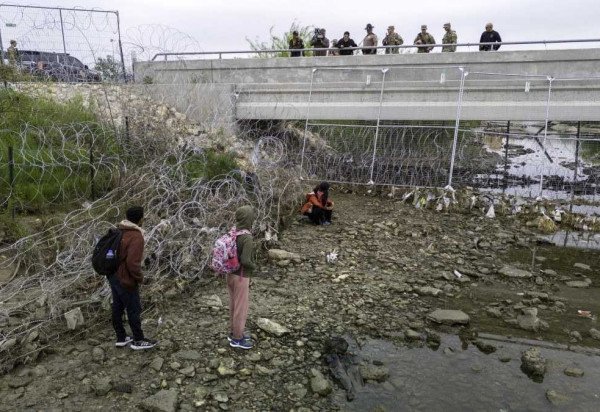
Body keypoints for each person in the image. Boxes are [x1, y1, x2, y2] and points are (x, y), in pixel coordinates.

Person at [109, 206, 157, 350]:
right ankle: (138, 340)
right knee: (134, 308)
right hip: (126, 278)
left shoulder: (119, 230)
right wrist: (140, 278)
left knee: (117, 306)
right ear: (140, 219)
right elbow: (132, 263)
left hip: (113, 275)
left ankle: (121, 337)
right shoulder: (136, 236)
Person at [227, 205, 257, 350]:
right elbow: (245, 261)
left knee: (233, 305)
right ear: (248, 218)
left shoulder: (233, 232)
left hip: (230, 275)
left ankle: (232, 332)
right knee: (241, 308)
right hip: (241, 277)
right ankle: (237, 339)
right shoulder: (247, 238)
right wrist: (255, 267)